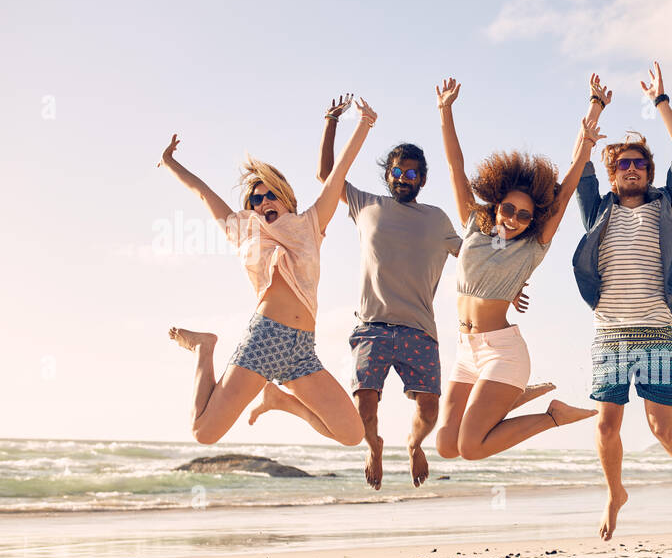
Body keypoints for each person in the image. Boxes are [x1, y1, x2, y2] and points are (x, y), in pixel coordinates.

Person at [316, 95, 553, 489]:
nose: (404, 179)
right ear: (388, 175)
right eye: (398, 172)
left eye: (412, 175)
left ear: (422, 180)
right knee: (365, 405)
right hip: (371, 326)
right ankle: (373, 445)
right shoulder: (365, 204)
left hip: (419, 330)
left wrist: (509, 288)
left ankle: (414, 445)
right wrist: (331, 124)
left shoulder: (437, 219)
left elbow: (482, 261)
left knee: (429, 410)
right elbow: (327, 176)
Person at [160, 98, 379, 447]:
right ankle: (204, 347)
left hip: (302, 349)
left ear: (285, 198)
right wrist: (170, 162)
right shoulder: (245, 231)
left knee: (353, 434)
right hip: (264, 340)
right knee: (204, 433)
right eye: (256, 200)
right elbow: (202, 193)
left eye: (270, 195)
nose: (264, 203)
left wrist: (364, 123)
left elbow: (337, 174)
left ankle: (279, 400)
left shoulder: (309, 223)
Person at [432, 77, 598, 461]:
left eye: (524, 215)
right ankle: (510, 398)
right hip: (465, 350)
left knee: (471, 448)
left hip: (502, 354)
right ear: (495, 204)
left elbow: (567, 187)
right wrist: (445, 111)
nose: (514, 218)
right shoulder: (474, 225)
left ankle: (553, 416)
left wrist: (589, 127)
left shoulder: (531, 247)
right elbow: (454, 166)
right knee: (445, 446)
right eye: (508, 209)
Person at [573, 66, 672, 540]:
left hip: (655, 332)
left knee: (659, 427)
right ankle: (614, 493)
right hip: (608, 333)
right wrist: (595, 107)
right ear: (613, 175)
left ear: (648, 172)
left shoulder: (668, 206)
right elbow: (578, 163)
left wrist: (662, 100)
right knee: (607, 424)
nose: (631, 169)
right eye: (623, 165)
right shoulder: (597, 209)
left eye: (639, 164)